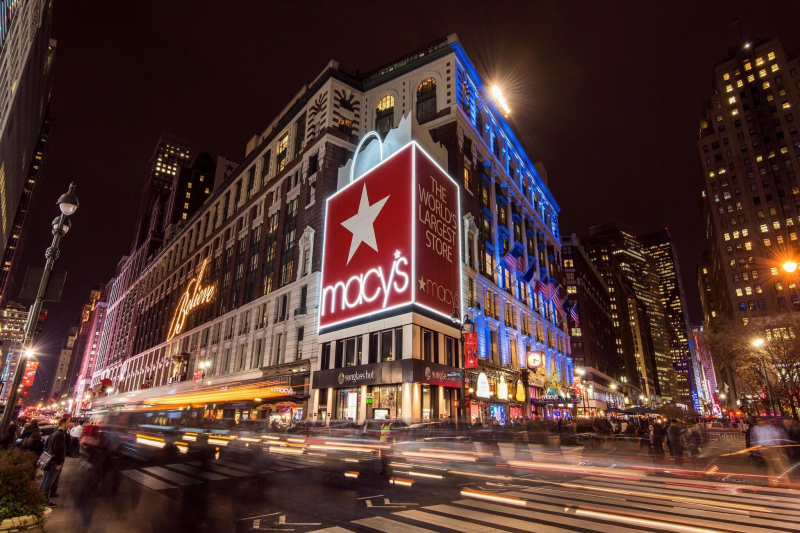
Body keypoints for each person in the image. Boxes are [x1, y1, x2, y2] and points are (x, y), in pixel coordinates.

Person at [40, 417, 68, 506]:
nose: (69, 424)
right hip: (54, 461)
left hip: (51, 460)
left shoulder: (54, 434)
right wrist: (58, 463)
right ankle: (44, 501)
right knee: (48, 481)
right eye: (67, 423)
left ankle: (40, 498)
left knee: (46, 480)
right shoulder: (59, 435)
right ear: (63, 423)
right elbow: (57, 450)